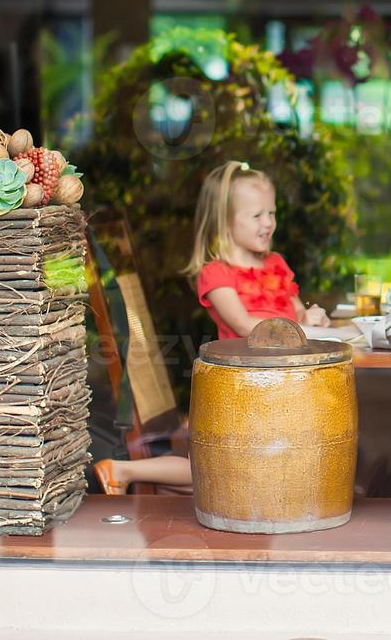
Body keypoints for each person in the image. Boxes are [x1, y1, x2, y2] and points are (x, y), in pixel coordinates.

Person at [93, 161, 329, 494]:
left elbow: (296, 314)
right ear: (226, 221)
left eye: (272, 213)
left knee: (253, 466)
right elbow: (245, 325)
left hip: (284, 388)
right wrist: (298, 323)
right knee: (219, 471)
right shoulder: (217, 274)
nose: (269, 224)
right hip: (241, 391)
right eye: (257, 215)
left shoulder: (276, 265)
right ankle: (123, 469)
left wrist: (311, 317)